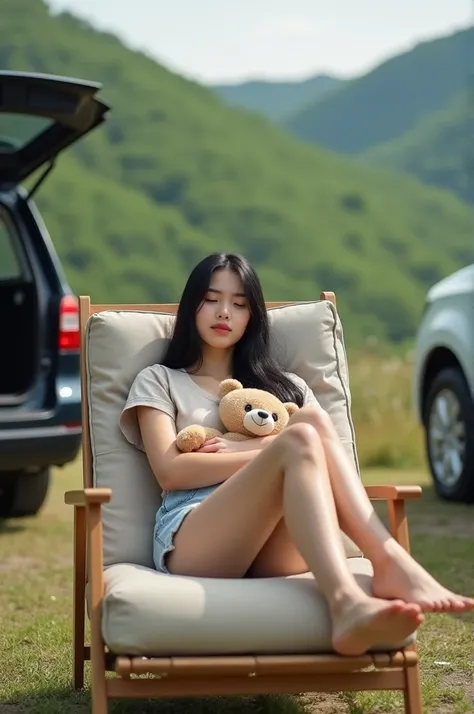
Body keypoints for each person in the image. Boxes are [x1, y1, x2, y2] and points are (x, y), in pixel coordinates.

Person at [119, 252, 474, 657]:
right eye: (211, 299)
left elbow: (321, 457)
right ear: (191, 306)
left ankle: (385, 561)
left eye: (239, 304)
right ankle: (353, 595)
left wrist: (259, 446)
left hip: (281, 540)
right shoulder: (160, 379)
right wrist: (267, 448)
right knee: (305, 433)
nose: (224, 312)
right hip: (196, 537)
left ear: (253, 316)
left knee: (313, 425)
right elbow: (170, 471)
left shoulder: (288, 388)